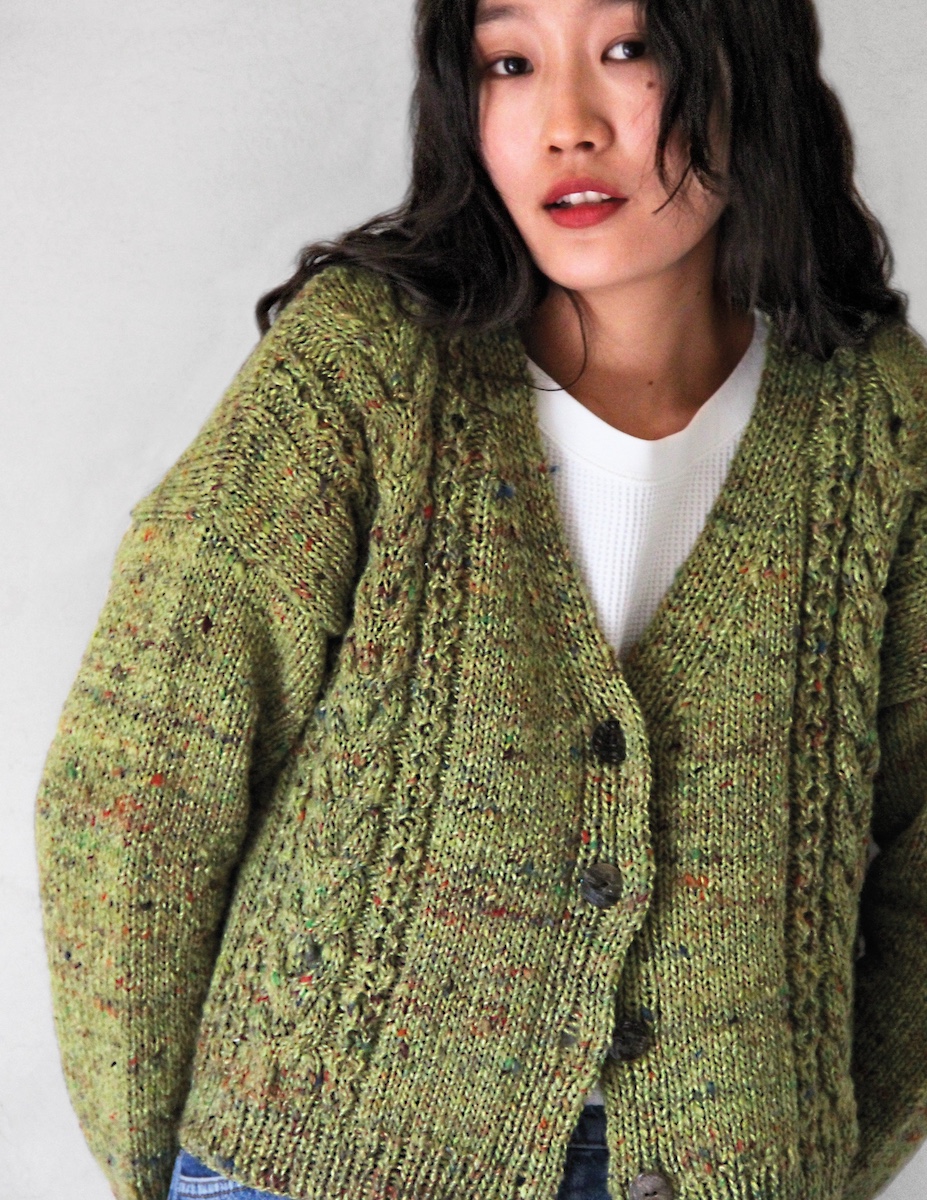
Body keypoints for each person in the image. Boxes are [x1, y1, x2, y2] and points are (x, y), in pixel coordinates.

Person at [34, 0, 927, 1198]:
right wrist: (166, 1170)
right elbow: (141, 775)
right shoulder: (367, 370)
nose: (566, 122)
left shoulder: (878, 426)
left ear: (743, 62)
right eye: (509, 62)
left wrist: (812, 1149)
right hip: (321, 1168)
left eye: (628, 49)